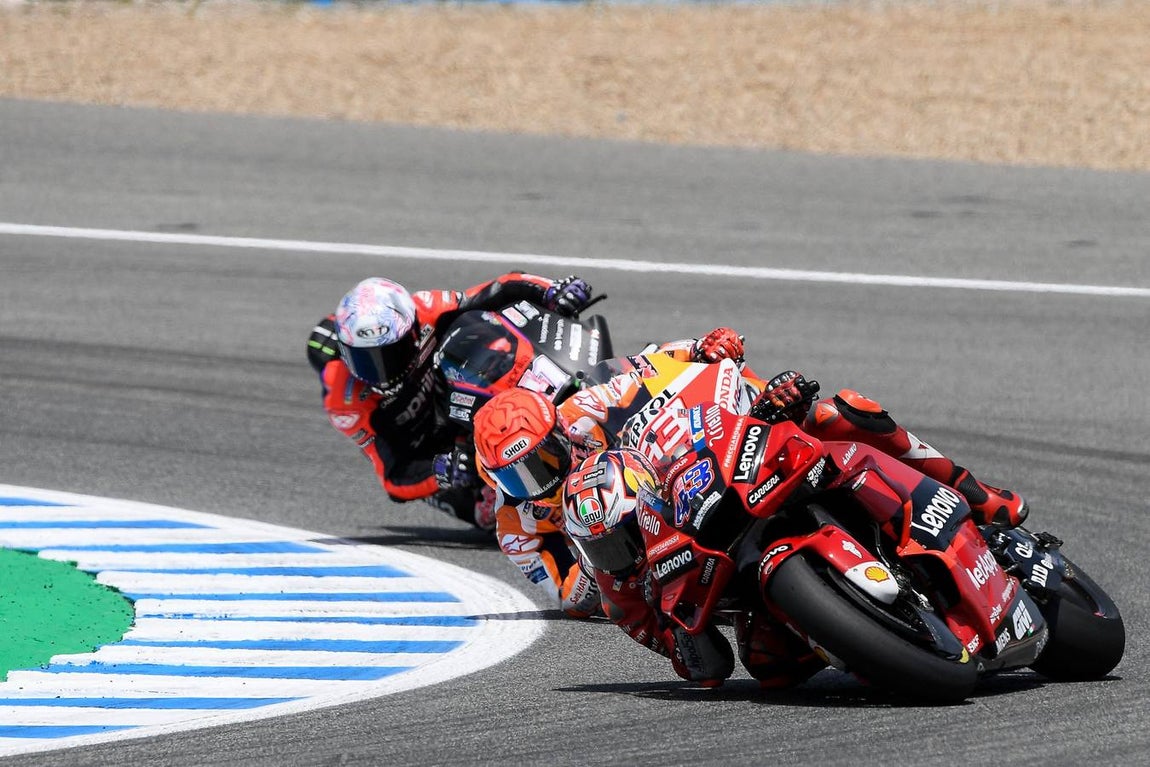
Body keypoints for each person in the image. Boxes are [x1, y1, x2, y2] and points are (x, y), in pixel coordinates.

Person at [470, 327, 748, 617]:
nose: (541, 481)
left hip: (674, 481)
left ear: (559, 430)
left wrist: (698, 349)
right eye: (516, 477)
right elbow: (570, 598)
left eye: (544, 457)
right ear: (494, 480)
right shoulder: (514, 526)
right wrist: (598, 555)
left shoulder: (582, 411)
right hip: (640, 565)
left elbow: (647, 367)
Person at [306, 273, 593, 530]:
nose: (382, 372)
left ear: (413, 330)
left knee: (485, 328)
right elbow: (393, 477)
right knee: (485, 510)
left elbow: (499, 289)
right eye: (365, 360)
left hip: (459, 400)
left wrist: (552, 290)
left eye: (391, 354)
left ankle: (554, 392)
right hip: (433, 451)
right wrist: (441, 471)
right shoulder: (344, 399)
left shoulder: (426, 308)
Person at [562, 447, 824, 688]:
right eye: (600, 549)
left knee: (821, 432)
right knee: (768, 661)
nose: (619, 557)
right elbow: (707, 669)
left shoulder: (672, 468)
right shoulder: (618, 599)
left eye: (626, 536)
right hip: (736, 595)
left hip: (744, 515)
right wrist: (667, 612)